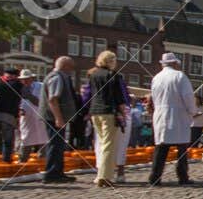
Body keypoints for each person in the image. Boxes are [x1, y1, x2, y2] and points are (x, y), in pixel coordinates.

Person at [148, 52, 200, 186]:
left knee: (161, 148)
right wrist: (193, 111)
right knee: (181, 148)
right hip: (178, 115)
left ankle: (155, 177)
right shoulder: (180, 76)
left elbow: (153, 97)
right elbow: (188, 97)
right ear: (175, 63)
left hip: (160, 114)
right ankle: (182, 176)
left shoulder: (156, 78)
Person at [83, 51, 127, 187]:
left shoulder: (93, 75)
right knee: (109, 145)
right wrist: (123, 113)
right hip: (109, 112)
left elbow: (89, 94)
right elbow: (119, 97)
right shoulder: (114, 76)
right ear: (111, 61)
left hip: (95, 112)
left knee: (102, 144)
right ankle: (105, 176)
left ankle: (100, 175)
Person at [42, 56, 79, 184]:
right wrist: (58, 118)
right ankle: (51, 173)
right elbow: (53, 99)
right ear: (66, 66)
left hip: (56, 117)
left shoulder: (59, 76)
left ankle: (58, 172)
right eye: (71, 67)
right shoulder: (57, 77)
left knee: (58, 145)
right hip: (54, 118)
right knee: (55, 145)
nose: (72, 70)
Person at [15, 69, 47, 161]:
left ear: (31, 78)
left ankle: (42, 160)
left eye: (27, 79)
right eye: (23, 79)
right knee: (26, 138)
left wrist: (29, 96)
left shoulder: (40, 87)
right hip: (26, 118)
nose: (24, 81)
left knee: (43, 138)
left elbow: (42, 102)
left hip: (39, 117)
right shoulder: (19, 88)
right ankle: (23, 159)